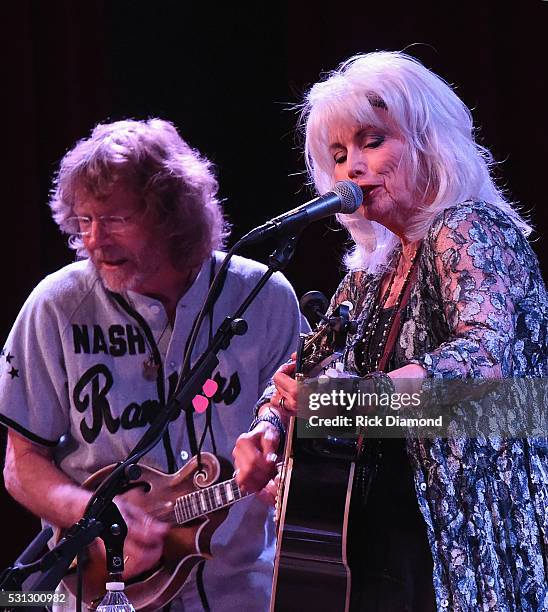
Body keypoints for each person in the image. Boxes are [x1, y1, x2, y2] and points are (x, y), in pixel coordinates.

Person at [234, 51, 548, 611]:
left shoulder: (469, 227)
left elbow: (485, 367)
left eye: (371, 141)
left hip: (460, 535)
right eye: (338, 155)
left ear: (429, 139)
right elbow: (306, 371)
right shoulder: (373, 269)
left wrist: (347, 405)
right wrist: (268, 424)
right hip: (381, 542)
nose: (351, 166)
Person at [0, 118, 303, 611]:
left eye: (116, 219)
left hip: (241, 591)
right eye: (84, 221)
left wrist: (281, 476)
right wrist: (94, 516)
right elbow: (21, 463)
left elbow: (297, 432)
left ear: (172, 215)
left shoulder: (264, 298)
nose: (95, 239)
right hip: (101, 594)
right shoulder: (56, 305)